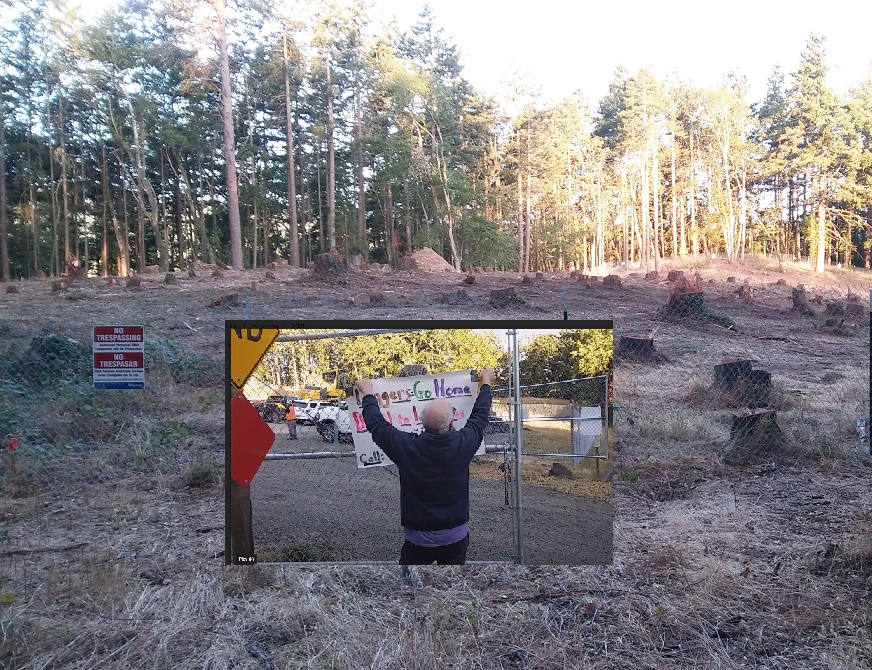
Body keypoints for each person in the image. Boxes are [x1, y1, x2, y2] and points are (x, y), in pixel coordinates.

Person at [355, 368, 495, 565]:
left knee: (411, 585)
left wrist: (368, 393)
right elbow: (479, 417)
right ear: (451, 423)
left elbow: (377, 425)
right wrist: (486, 382)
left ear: (421, 422)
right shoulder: (463, 443)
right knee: (451, 584)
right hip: (455, 536)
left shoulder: (406, 447)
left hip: (418, 539)